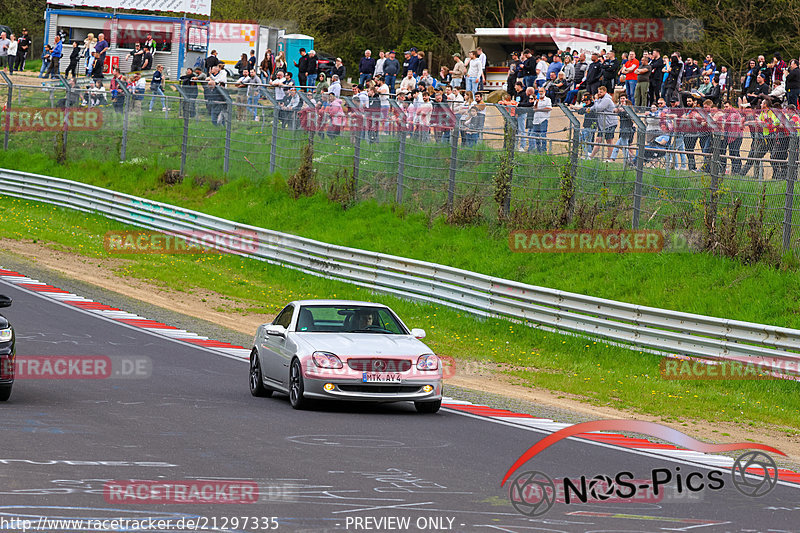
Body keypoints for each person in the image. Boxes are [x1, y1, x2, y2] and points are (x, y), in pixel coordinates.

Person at [530, 86, 551, 152]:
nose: (540, 93)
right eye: (539, 91)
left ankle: (543, 149)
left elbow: (549, 108)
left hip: (543, 120)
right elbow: (534, 109)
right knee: (536, 135)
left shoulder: (547, 100)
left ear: (545, 92)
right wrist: (536, 102)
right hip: (536, 120)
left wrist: (539, 109)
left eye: (542, 91)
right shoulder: (537, 100)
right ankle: (538, 149)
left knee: (543, 135)